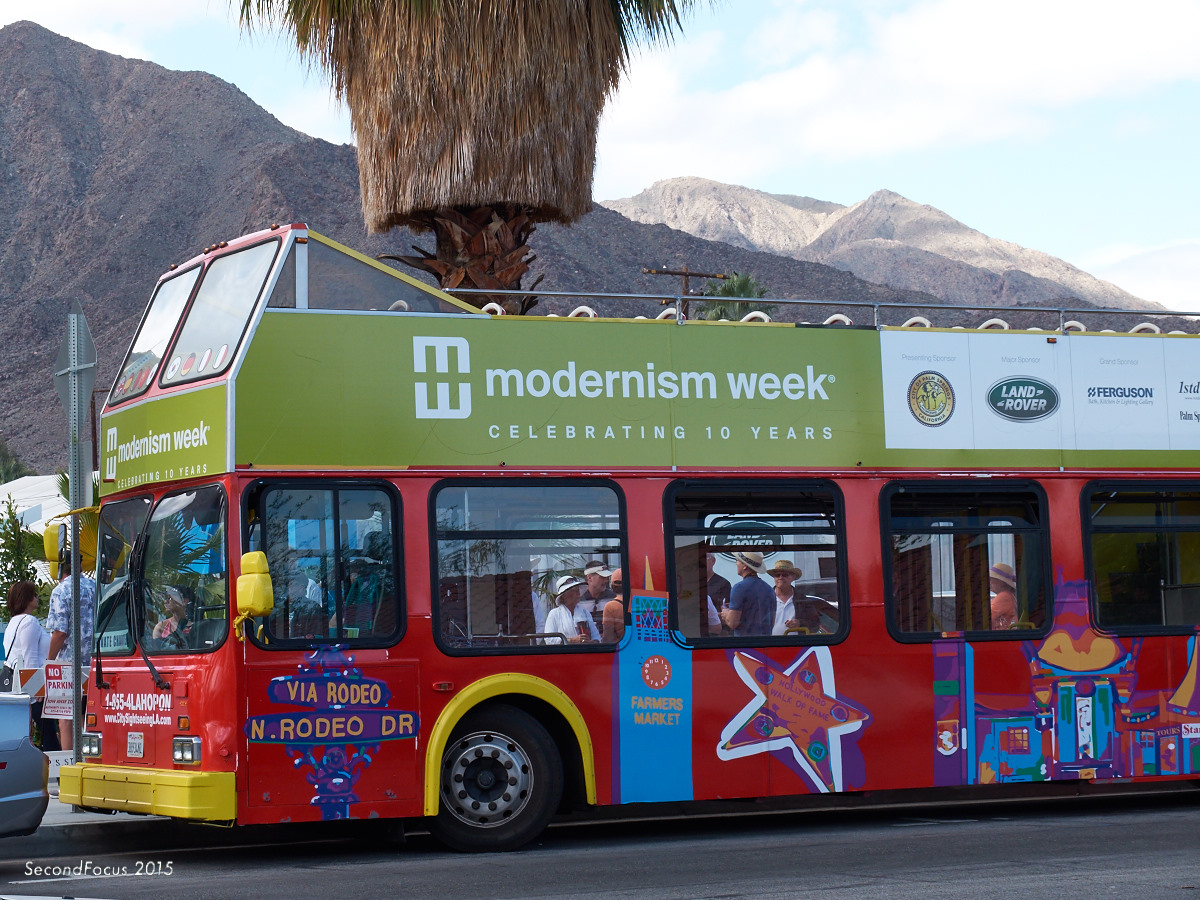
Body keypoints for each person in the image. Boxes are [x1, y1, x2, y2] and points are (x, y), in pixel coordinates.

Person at [46, 555, 97, 752]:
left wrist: (49, 661)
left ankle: (68, 767)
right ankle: (88, 760)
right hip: (94, 662)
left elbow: (60, 632)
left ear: (60, 570)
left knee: (66, 720)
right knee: (87, 716)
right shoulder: (94, 587)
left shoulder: (61, 591)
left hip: (69, 665)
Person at [4, 582, 58, 750]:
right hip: (30, 687)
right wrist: (36, 689)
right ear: (26, 598)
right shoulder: (29, 622)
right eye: (34, 594)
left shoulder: (13, 622)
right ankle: (56, 772)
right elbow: (30, 657)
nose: (36, 598)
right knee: (47, 731)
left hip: (16, 684)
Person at [719, 550, 773, 637]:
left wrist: (726, 613)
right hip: (765, 644)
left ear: (744, 566)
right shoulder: (769, 589)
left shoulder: (739, 588)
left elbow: (733, 623)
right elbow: (772, 622)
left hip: (744, 645)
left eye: (737, 560)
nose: (736, 563)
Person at [543, 575, 599, 644]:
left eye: (578, 589)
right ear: (564, 595)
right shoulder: (554, 614)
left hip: (584, 653)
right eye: (574, 590)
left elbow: (596, 637)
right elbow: (549, 639)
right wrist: (572, 640)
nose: (578, 593)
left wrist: (591, 642)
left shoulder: (585, 613)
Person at [767, 559, 815, 635]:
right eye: (777, 575)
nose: (780, 577)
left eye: (785, 575)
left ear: (793, 577)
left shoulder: (803, 600)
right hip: (770, 645)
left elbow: (815, 624)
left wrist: (800, 623)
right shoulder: (765, 599)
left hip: (797, 645)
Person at [705, 553, 732, 636]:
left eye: (705, 558)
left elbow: (729, 613)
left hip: (718, 633)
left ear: (713, 561)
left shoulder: (723, 584)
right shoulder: (691, 584)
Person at [989, 562, 1018, 630]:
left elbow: (986, 619)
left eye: (992, 579)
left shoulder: (1004, 596)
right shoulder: (1007, 595)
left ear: (1001, 582)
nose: (989, 582)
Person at [601, 568, 625, 643]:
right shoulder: (640, 602)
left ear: (612, 586)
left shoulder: (611, 606)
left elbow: (608, 639)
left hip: (621, 651)